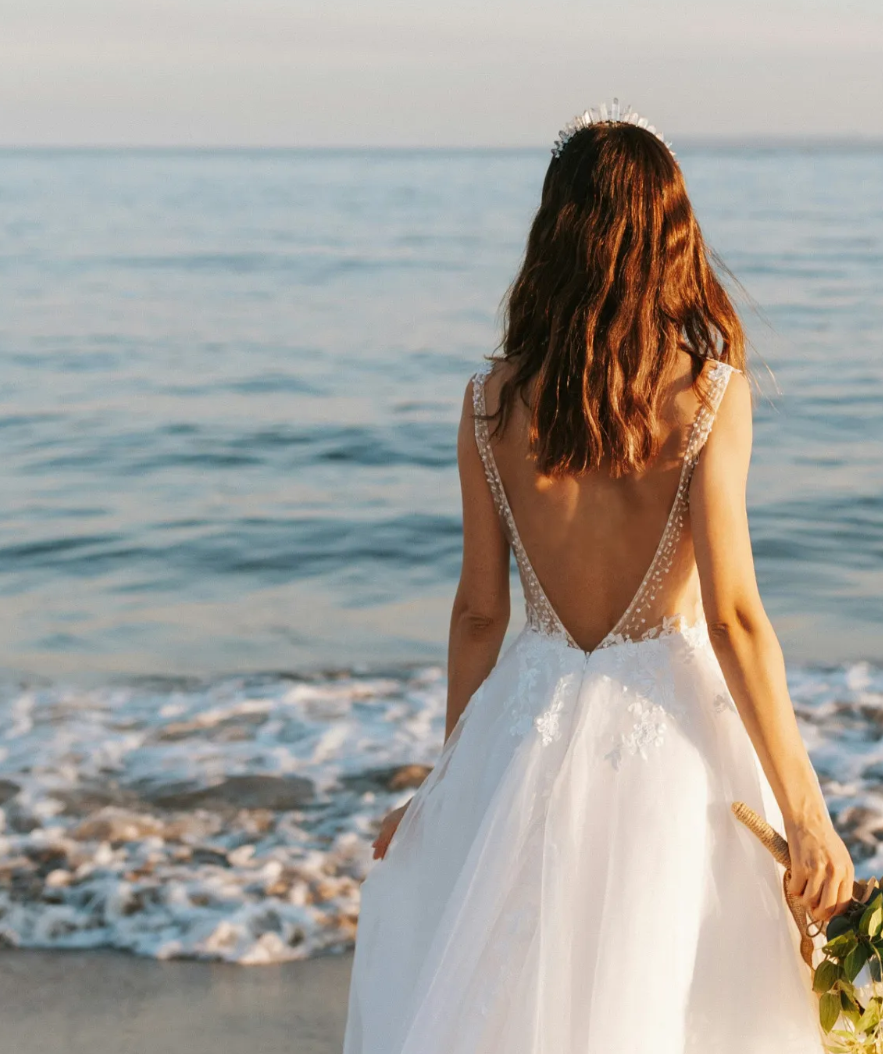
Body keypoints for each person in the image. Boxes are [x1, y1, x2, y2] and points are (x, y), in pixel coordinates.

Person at [341, 102, 854, 1054]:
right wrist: (807, 813)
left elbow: (478, 613)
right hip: (672, 746)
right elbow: (735, 618)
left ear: (557, 232)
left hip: (521, 735)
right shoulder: (707, 394)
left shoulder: (491, 401)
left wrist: (451, 786)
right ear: (671, 236)